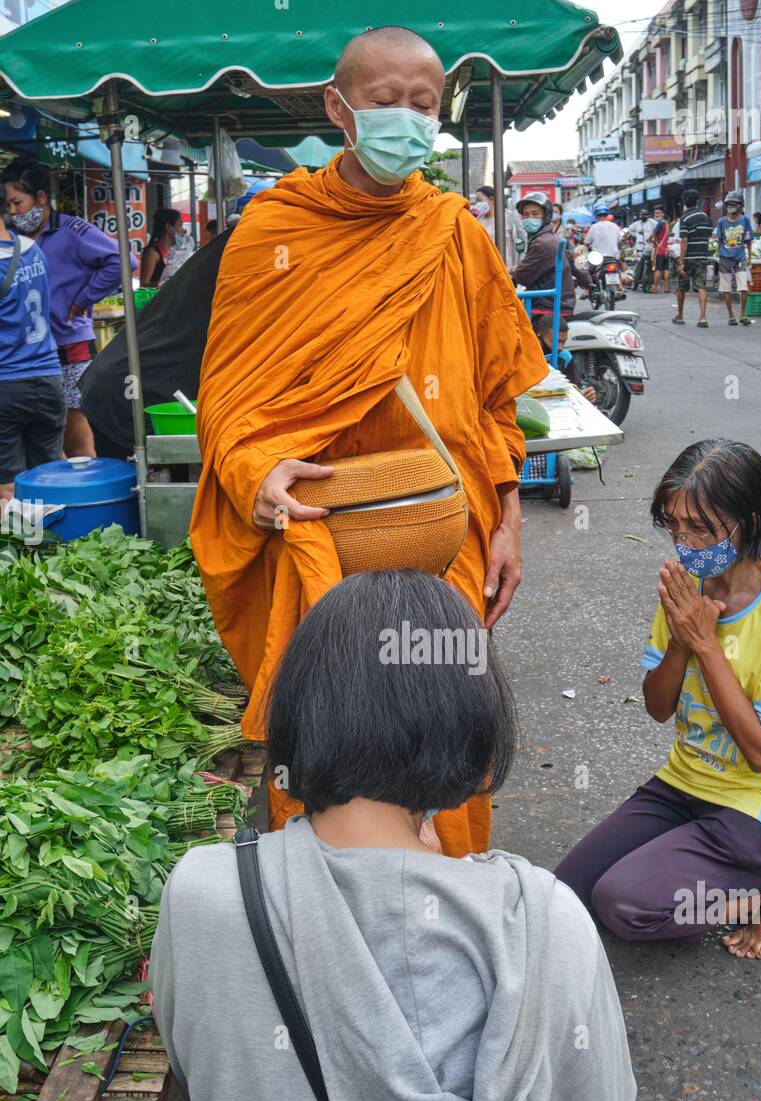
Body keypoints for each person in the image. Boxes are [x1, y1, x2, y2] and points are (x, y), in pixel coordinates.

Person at [151, 568, 636, 1101]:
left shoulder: (205, 895)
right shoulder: (548, 921)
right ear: (469, 722)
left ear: (302, 714)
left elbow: (209, 1079)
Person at [192, 26, 548, 854]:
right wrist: (252, 472)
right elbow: (228, 394)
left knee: (439, 718)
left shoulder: (453, 230)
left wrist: (507, 522)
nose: (406, 121)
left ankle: (448, 888)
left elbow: (495, 400)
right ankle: (324, 916)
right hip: (324, 530)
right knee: (329, 731)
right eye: (385, 102)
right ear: (338, 107)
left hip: (442, 530)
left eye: (423, 105)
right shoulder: (276, 229)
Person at [556, 440, 761, 959]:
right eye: (675, 526)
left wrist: (705, 645)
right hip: (685, 784)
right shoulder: (687, 589)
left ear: (748, 520)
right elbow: (659, 708)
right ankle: (704, 872)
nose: (685, 541)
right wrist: (681, 640)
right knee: (565, 895)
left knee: (626, 904)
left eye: (701, 527)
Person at [3, 160, 132, 458]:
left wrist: (83, 300)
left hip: (70, 345)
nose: (12, 212)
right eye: (8, 204)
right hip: (31, 356)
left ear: (41, 197)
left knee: (77, 444)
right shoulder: (14, 240)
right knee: (49, 444)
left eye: (17, 202)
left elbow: (123, 261)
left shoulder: (73, 231)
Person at [79, 229, 233, 460]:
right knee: (140, 483)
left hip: (130, 380)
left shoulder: (240, 248)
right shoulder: (246, 252)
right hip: (130, 391)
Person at [0, 218, 65, 507]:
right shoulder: (32, 249)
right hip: (49, 379)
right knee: (48, 479)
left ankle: (25, 549)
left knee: (9, 488)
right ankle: (54, 547)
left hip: (7, 384)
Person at [513, 192, 576, 349]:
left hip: (547, 307)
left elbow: (523, 276)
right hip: (555, 303)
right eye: (526, 214)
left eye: (535, 214)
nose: (529, 218)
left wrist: (511, 273)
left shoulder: (543, 243)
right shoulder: (549, 239)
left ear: (545, 216)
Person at [674, 189, 712, 328]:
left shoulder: (684, 218)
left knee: (682, 287)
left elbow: (684, 240)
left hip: (689, 256)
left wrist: (681, 261)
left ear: (684, 203)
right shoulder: (705, 216)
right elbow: (708, 237)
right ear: (697, 201)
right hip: (702, 255)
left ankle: (680, 316)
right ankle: (702, 317)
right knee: (701, 286)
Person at [715, 191, 753, 326]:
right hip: (725, 257)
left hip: (741, 256)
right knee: (726, 288)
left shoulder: (745, 220)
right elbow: (719, 239)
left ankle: (743, 314)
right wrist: (717, 255)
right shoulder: (721, 222)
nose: (731, 206)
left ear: (740, 206)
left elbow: (749, 240)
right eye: (729, 204)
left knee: (743, 287)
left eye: (734, 204)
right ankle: (731, 315)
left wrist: (750, 257)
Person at [472, 184, 521, 272]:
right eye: (476, 201)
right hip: (486, 269)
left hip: (507, 269)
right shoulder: (477, 221)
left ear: (491, 199)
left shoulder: (509, 217)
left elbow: (520, 240)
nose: (477, 204)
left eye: (479, 200)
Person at [138, 208, 181, 287]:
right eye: (180, 225)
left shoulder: (175, 251)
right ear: (168, 227)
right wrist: (167, 282)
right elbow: (143, 285)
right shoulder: (152, 253)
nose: (183, 230)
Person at [628, 207, 656, 292]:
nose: (643, 216)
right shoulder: (637, 224)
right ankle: (635, 280)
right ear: (639, 215)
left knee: (651, 265)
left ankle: (651, 282)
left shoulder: (652, 222)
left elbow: (658, 229)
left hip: (649, 246)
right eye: (642, 214)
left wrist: (654, 237)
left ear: (648, 215)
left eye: (645, 214)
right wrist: (636, 235)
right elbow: (629, 230)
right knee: (636, 264)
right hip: (639, 247)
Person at [649, 204, 670, 293]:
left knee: (657, 269)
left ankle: (655, 287)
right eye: (655, 213)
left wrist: (649, 238)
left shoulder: (660, 224)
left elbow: (653, 234)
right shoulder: (666, 224)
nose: (656, 215)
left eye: (658, 213)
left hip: (659, 250)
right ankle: (666, 288)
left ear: (663, 214)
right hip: (666, 250)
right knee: (666, 269)